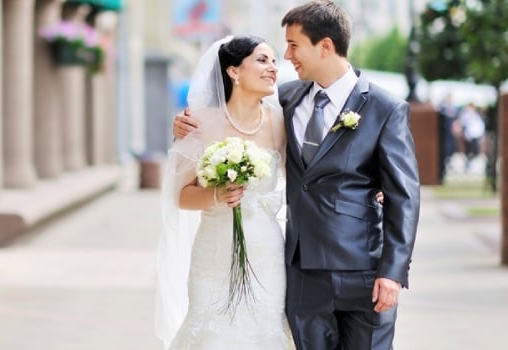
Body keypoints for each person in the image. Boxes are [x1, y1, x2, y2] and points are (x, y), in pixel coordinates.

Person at [171, 1, 421, 349]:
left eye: (292, 45)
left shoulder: (385, 108)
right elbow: (234, 116)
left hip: (361, 268)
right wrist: (186, 128)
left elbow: (404, 196)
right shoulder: (284, 101)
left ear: (326, 46)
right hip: (300, 272)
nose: (285, 58)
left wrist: (392, 273)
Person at [156, 35, 292, 349]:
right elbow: (180, 195)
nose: (273, 68)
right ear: (233, 71)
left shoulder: (280, 122)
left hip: (266, 250)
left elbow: (306, 177)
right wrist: (217, 196)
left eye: (274, 61)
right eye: (262, 60)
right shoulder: (198, 123)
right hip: (214, 248)